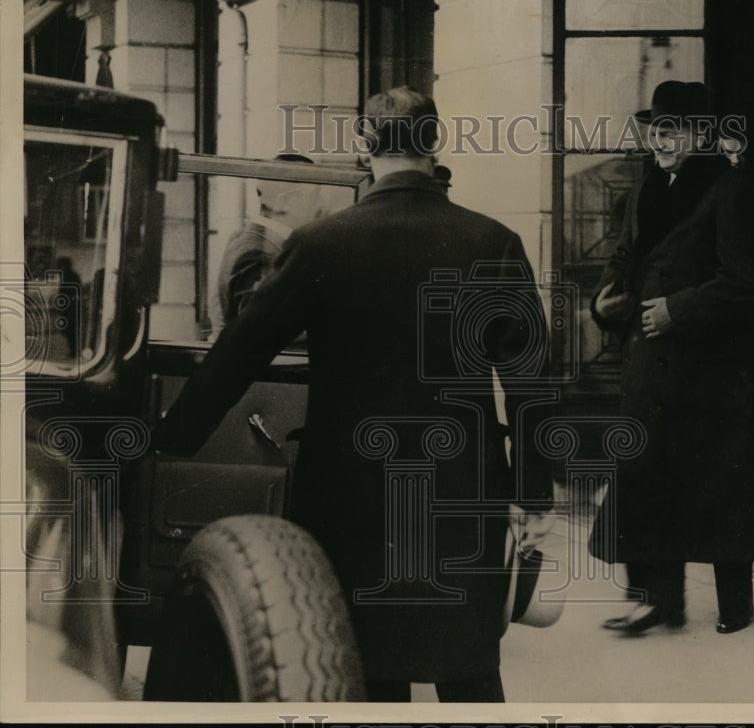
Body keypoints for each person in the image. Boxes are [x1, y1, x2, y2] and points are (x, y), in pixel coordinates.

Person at [151, 86, 555, 702]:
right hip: (460, 486)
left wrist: (170, 443)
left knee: (364, 665)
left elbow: (237, 355)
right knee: (469, 666)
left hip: (348, 490)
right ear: (435, 144)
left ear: (364, 146)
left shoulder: (320, 244)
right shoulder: (492, 243)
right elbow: (532, 382)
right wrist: (534, 493)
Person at [589, 80, 754, 635]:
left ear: (702, 133)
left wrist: (678, 309)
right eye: (656, 130)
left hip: (715, 371)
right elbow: (623, 260)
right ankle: (656, 600)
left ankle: (735, 607)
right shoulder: (648, 188)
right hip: (653, 366)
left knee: (721, 489)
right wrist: (607, 301)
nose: (661, 140)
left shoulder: (732, 187)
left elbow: (749, 283)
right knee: (648, 481)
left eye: (673, 130)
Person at [213, 153, 323, 328]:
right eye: (315, 196)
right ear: (284, 202)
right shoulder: (259, 254)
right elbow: (258, 330)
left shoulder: (246, 240)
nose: (321, 205)